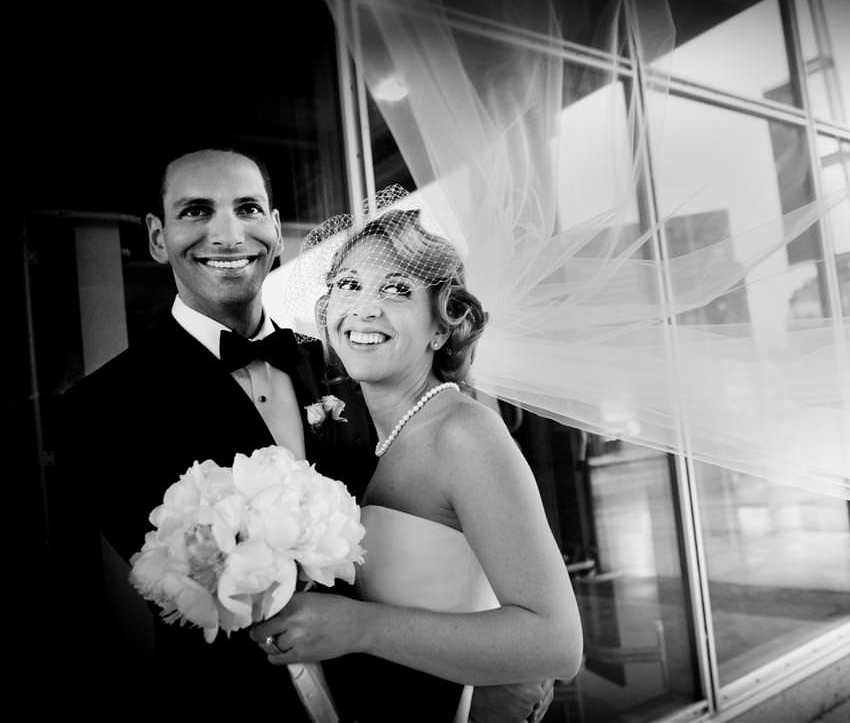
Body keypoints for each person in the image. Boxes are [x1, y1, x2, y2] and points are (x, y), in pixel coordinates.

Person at [48, 149, 553, 722]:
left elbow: (444, 519)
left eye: (247, 208)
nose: (228, 233)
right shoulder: (99, 411)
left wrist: (501, 664)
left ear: (274, 227)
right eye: (196, 211)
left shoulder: (349, 363)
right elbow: (153, 602)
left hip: (412, 699)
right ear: (158, 238)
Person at [249, 202, 583, 722]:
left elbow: (557, 644)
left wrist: (359, 627)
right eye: (350, 284)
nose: (363, 308)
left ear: (440, 327)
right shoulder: (365, 432)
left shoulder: (463, 432)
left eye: (397, 290)